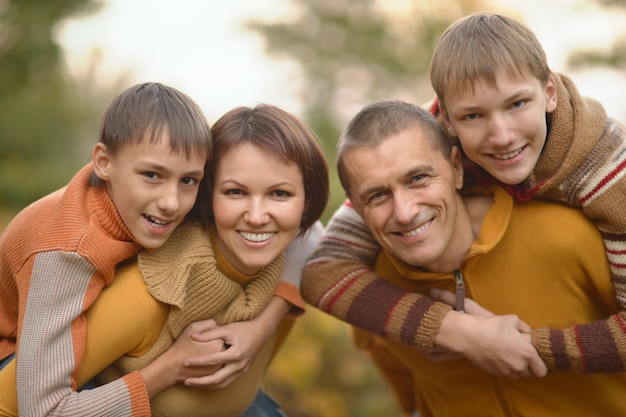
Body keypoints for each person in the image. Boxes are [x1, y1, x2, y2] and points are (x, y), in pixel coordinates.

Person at [302, 11, 626, 376]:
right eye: (473, 116)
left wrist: (514, 346)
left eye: (517, 104)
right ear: (447, 121)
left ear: (549, 93)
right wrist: (452, 330)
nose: (501, 136)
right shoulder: (422, 150)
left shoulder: (611, 174)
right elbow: (323, 271)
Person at [1, 103, 329, 417]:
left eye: (280, 194)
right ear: (209, 196)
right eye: (235, 192)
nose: (258, 217)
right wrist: (171, 366)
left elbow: (313, 233)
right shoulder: (90, 265)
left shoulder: (287, 248)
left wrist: (264, 324)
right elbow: (22, 407)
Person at [323, 100, 626, 416]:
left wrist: (526, 348)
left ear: (456, 169)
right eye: (377, 195)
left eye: (418, 179)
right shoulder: (371, 292)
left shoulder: (566, 236)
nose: (405, 212)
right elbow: (408, 394)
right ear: (356, 209)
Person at [0, 82, 217, 416]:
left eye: (188, 180)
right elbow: (43, 411)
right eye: (151, 175)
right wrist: (171, 367)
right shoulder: (68, 253)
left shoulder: (129, 203)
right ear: (103, 162)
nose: (171, 203)